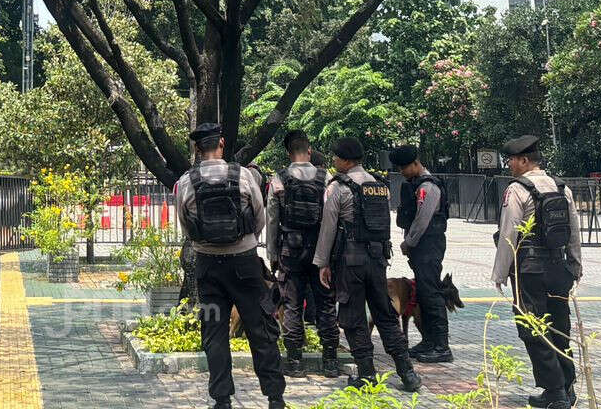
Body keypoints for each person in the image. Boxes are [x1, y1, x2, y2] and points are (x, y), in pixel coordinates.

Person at [173, 123, 286, 409]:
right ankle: (274, 397)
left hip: (208, 266)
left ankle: (222, 399)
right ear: (222, 143)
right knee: (260, 327)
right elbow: (260, 217)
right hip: (245, 264)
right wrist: (244, 241)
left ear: (197, 149)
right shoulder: (244, 175)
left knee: (214, 332)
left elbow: (186, 225)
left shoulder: (186, 182)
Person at [314, 138, 421, 393]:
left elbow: (328, 228)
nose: (334, 162)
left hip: (350, 262)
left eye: (337, 157)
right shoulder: (379, 186)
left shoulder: (339, 187)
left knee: (352, 317)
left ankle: (366, 373)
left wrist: (322, 263)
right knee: (385, 315)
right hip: (377, 261)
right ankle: (407, 373)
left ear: (346, 160)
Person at [492, 135, 583, 409]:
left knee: (533, 328)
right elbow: (573, 230)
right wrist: (576, 264)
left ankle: (554, 392)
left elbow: (509, 233)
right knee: (560, 327)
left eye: (511, 160)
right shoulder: (561, 187)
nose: (509, 165)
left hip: (529, 271)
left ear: (523, 160)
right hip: (560, 267)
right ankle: (567, 387)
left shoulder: (517, 190)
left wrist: (499, 274)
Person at [266, 130, 340, 378]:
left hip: (290, 251)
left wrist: (273, 254)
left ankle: (295, 361)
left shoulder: (279, 179)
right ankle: (330, 360)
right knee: (326, 304)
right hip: (321, 252)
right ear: (309, 150)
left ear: (289, 153)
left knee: (292, 304)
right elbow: (333, 218)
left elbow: (272, 219)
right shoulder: (326, 177)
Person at [390, 144, 452, 363]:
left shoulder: (428, 186)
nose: (402, 172)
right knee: (424, 294)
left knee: (431, 293)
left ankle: (442, 345)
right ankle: (429, 340)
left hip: (429, 245)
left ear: (416, 163)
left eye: (404, 168)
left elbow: (422, 220)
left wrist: (409, 242)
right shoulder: (416, 184)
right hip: (422, 247)